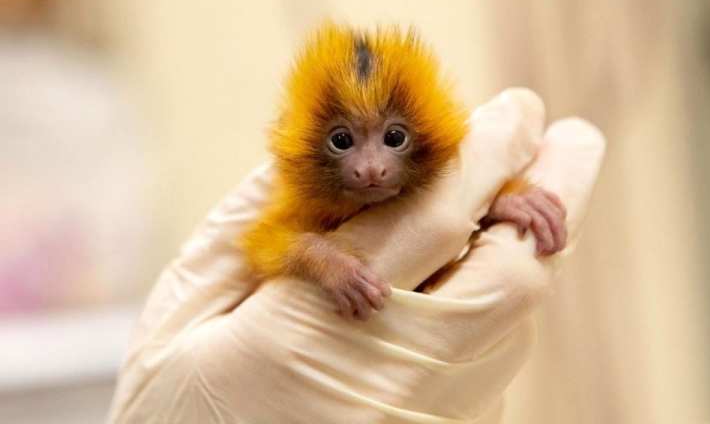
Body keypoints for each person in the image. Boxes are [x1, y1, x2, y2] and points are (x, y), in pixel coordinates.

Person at [108, 88, 605, 423]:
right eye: (342, 141)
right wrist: (322, 258)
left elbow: (467, 217)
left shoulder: (447, 172)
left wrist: (504, 198)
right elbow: (271, 242)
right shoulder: (302, 197)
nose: (370, 169)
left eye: (393, 138)